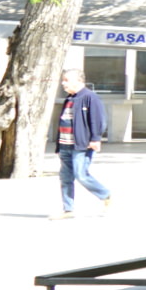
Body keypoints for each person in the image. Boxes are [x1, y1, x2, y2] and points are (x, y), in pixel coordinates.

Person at [52, 66, 113, 219]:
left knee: (81, 175)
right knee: (65, 178)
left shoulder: (90, 97)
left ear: (79, 81)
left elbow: (98, 120)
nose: (63, 83)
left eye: (66, 80)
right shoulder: (69, 98)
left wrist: (95, 139)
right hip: (65, 144)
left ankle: (105, 194)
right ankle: (68, 210)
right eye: (63, 80)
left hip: (81, 145)